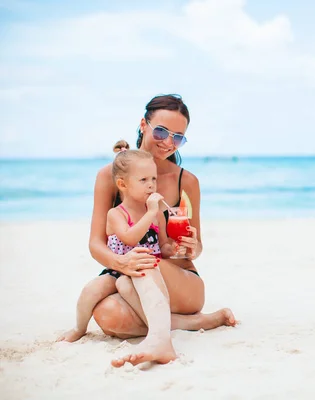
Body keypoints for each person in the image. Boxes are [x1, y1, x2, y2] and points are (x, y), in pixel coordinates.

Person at [88, 95, 236, 367]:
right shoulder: (109, 176)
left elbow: (197, 246)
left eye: (178, 137)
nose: (168, 142)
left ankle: (160, 340)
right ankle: (197, 323)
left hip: (181, 281)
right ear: (143, 125)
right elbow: (96, 244)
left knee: (145, 260)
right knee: (107, 316)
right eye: (161, 131)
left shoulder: (186, 181)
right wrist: (121, 262)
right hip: (128, 273)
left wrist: (193, 247)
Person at [59, 148, 182, 365]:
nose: (151, 185)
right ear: (123, 185)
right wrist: (151, 213)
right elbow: (129, 238)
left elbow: (162, 246)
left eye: (154, 178)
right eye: (143, 179)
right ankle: (79, 327)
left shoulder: (156, 214)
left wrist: (173, 248)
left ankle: (159, 337)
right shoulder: (116, 214)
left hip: (145, 269)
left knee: (141, 285)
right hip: (118, 267)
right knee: (92, 289)